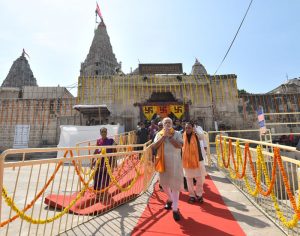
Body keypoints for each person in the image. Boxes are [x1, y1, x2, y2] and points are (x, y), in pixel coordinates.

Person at [152, 117, 183, 221]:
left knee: (175, 185)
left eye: (169, 122)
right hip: (162, 162)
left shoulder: (177, 133)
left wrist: (170, 137)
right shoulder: (158, 134)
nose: (168, 124)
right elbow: (154, 146)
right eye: (166, 122)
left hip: (175, 163)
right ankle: (170, 198)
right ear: (163, 124)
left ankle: (175, 209)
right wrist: (163, 137)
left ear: (172, 123)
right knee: (164, 184)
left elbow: (180, 146)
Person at [182, 122, 206, 204]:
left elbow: (202, 137)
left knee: (199, 179)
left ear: (192, 128)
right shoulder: (182, 135)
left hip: (197, 160)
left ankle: (199, 195)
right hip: (187, 161)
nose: (188, 129)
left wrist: (196, 130)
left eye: (189, 127)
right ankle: (192, 195)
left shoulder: (196, 135)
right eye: (186, 128)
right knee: (189, 179)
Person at [93, 127, 116, 194]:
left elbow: (116, 147)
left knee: (106, 178)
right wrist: (92, 161)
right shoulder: (98, 141)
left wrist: (113, 163)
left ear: (107, 133)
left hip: (107, 162)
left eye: (105, 132)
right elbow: (96, 150)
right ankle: (97, 192)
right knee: (97, 177)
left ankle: (105, 192)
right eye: (102, 132)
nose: (103, 133)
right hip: (99, 162)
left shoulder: (111, 140)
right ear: (100, 133)